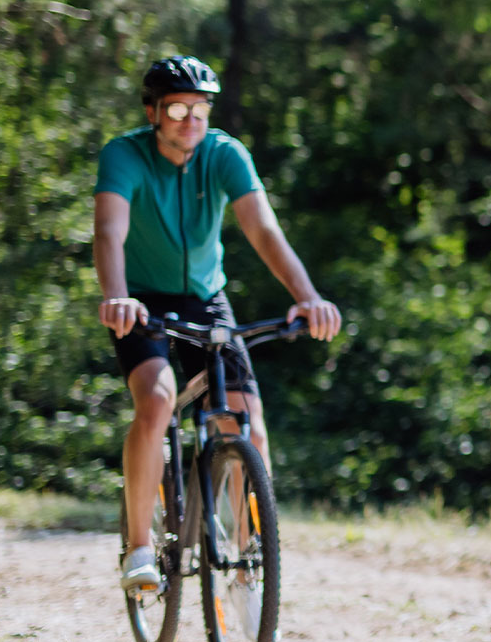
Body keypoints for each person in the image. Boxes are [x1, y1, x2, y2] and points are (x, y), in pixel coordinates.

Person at [95, 55, 341, 596]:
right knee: (157, 401)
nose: (190, 120)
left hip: (207, 299)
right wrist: (116, 296)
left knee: (247, 421)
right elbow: (109, 232)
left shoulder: (225, 154)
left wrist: (309, 298)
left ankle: (251, 550)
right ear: (153, 111)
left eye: (200, 109)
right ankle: (140, 548)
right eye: (178, 108)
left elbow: (264, 230)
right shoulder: (124, 154)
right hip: (141, 300)